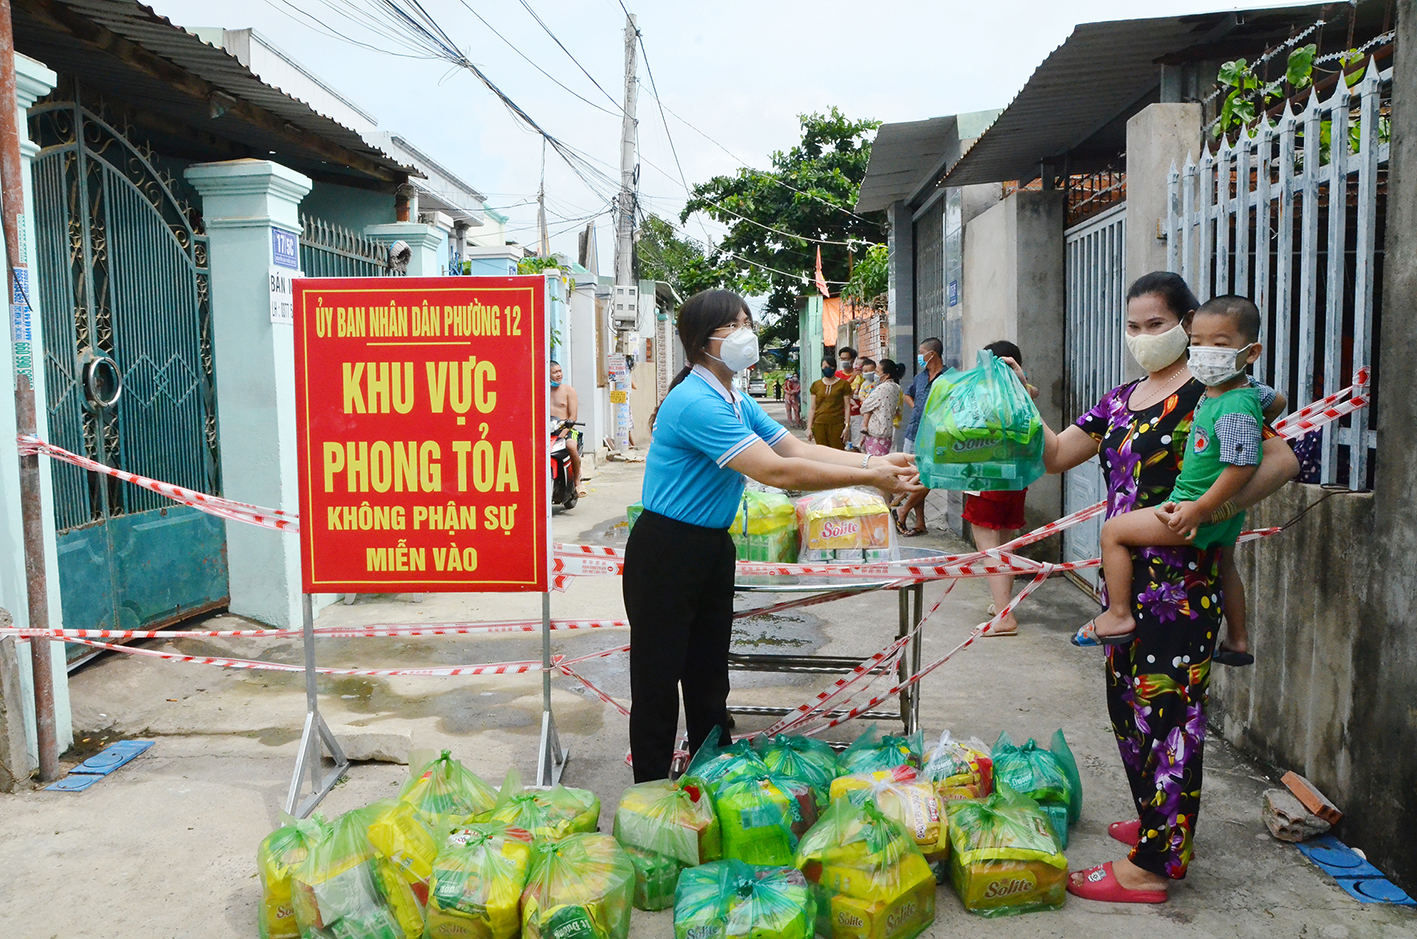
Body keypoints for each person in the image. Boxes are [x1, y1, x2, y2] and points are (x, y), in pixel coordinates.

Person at [1000, 271, 1297, 903]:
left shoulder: (1214, 392)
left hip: (1182, 587)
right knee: (1129, 712)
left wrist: (1208, 516)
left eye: (1156, 324)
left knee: (1168, 719)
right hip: (1126, 589)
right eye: (1133, 326)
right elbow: (1055, 454)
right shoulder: (1118, 400)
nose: (1143, 337)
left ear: (1188, 326)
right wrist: (1013, 396)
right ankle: (1158, 825)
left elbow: (1282, 460)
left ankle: (1152, 868)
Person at [622, 289, 921, 781]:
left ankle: (709, 776)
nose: (747, 334)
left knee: (708, 677)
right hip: (667, 550)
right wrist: (869, 477)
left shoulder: (734, 397)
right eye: (733, 326)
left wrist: (873, 461)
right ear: (701, 341)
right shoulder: (695, 402)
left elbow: (791, 447)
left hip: (712, 547)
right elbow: (776, 473)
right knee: (656, 679)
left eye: (747, 322)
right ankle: (651, 793)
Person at [1075, 296, 1265, 646]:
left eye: (1220, 344)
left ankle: (1118, 614)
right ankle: (1238, 639)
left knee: (1113, 532)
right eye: (1198, 343)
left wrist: (1203, 508)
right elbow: (1056, 454)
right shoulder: (1234, 392)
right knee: (1227, 566)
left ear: (1251, 353)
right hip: (1206, 518)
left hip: (1186, 521)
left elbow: (1248, 463)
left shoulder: (1227, 401)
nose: (1206, 351)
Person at [963, 341, 1039, 637]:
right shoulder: (1025, 393)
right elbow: (1034, 392)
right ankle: (1002, 606)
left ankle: (1004, 617)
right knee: (1004, 545)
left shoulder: (985, 396)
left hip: (985, 479)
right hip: (1016, 479)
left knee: (989, 549)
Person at [895, 338, 945, 536]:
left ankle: (903, 510)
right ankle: (920, 523)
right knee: (915, 476)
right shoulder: (920, 377)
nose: (919, 356)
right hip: (914, 432)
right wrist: (916, 408)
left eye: (921, 352)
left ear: (932, 354)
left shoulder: (948, 377)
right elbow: (908, 394)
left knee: (928, 477)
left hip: (936, 436)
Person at [548, 361, 584, 497]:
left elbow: (573, 416)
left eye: (560, 371)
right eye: (555, 372)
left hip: (566, 429)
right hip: (548, 431)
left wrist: (562, 435)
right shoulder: (541, 390)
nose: (559, 374)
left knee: (571, 445)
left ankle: (577, 481)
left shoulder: (569, 390)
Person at [858, 358, 902, 457]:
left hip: (877, 431)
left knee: (874, 462)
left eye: (877, 372)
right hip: (887, 430)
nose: (875, 375)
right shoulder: (896, 387)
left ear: (886, 375)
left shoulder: (882, 388)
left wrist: (864, 401)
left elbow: (865, 406)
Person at [807, 360, 853, 451]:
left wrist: (847, 426)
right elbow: (812, 407)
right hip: (819, 423)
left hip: (837, 423)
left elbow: (847, 406)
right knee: (822, 452)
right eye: (824, 367)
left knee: (838, 450)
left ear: (835, 367)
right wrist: (809, 427)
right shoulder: (816, 385)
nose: (826, 369)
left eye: (829, 366)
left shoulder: (844, 384)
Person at [848, 358, 877, 450]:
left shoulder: (878, 383)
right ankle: (860, 444)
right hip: (866, 406)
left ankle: (862, 445)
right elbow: (860, 395)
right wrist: (865, 400)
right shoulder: (863, 384)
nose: (868, 373)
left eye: (871, 371)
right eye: (866, 371)